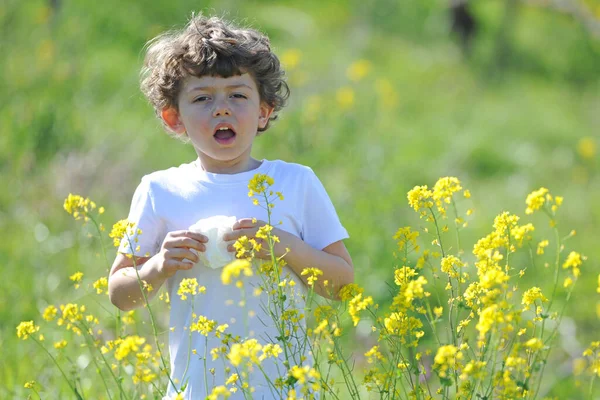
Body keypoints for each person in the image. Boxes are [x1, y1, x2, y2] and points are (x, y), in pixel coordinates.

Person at [107, 13, 354, 400]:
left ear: (263, 111)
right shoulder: (159, 189)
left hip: (284, 389)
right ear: (174, 119)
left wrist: (283, 246)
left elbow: (341, 285)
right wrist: (159, 265)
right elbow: (120, 295)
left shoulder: (296, 182)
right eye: (202, 98)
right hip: (198, 389)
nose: (221, 109)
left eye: (237, 95)